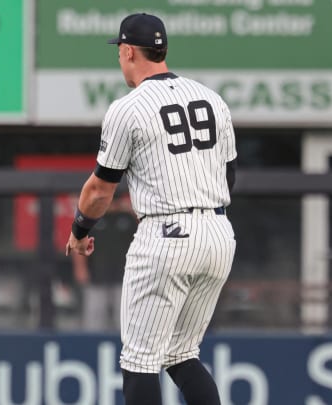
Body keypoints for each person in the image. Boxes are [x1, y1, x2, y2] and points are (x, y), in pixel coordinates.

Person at [65, 13, 237, 405]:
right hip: (218, 234)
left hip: (166, 235)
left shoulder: (129, 108)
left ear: (128, 51)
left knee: (140, 360)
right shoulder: (214, 99)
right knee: (181, 355)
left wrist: (79, 231)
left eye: (120, 52)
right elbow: (230, 178)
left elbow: (99, 191)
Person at [70, 193, 136, 332]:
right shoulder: (92, 219)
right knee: (94, 321)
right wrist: (81, 269)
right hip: (97, 276)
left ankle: (123, 351)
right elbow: (79, 244)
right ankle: (91, 350)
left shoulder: (128, 218)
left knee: (124, 320)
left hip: (124, 277)